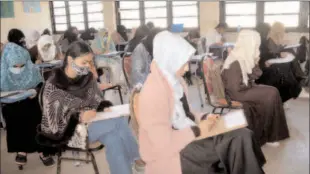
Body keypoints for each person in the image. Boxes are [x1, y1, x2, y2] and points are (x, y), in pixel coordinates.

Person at [138, 31, 266, 174]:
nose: (187, 68)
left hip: (185, 134)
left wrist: (204, 118)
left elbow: (187, 113)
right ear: (170, 59)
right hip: (175, 152)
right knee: (238, 139)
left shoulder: (173, 80)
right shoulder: (153, 92)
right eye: (184, 63)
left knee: (243, 133)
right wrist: (198, 130)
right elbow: (162, 144)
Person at [40, 41, 144, 174]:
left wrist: (101, 106)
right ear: (70, 59)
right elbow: (53, 124)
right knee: (118, 122)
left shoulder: (86, 76)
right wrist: (78, 116)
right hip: (67, 133)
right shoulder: (54, 85)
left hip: (92, 124)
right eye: (84, 62)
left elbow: (96, 99)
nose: (88, 66)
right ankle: (138, 158)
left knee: (114, 139)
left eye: (90, 62)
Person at [221, 30, 290, 146]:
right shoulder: (235, 61)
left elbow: (256, 75)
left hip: (242, 89)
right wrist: (250, 85)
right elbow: (234, 88)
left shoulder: (243, 58)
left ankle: (272, 134)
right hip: (236, 93)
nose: (257, 48)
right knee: (270, 94)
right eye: (255, 45)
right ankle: (270, 136)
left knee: (272, 91)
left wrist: (255, 63)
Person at [1, 42, 54, 166]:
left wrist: (35, 91)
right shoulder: (3, 73)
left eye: (22, 65)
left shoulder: (32, 69)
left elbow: (41, 85)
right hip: (12, 105)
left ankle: (42, 151)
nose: (18, 69)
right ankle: (22, 150)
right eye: (14, 66)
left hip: (31, 102)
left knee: (35, 120)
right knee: (14, 120)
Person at [255, 22, 302, 103]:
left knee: (288, 67)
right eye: (269, 31)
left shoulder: (264, 40)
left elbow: (268, 54)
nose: (270, 32)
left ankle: (296, 82)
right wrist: (278, 54)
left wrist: (279, 52)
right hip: (264, 70)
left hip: (268, 67)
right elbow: (265, 56)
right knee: (287, 71)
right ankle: (296, 83)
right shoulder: (263, 41)